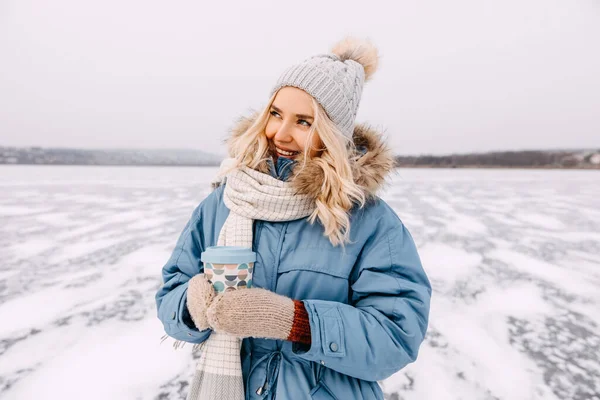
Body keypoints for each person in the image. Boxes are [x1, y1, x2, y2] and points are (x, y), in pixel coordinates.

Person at [155, 37, 431, 400]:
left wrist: (296, 321)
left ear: (334, 133)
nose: (281, 134)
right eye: (275, 114)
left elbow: (397, 336)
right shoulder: (224, 201)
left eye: (304, 121)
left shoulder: (369, 222)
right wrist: (191, 307)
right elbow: (171, 290)